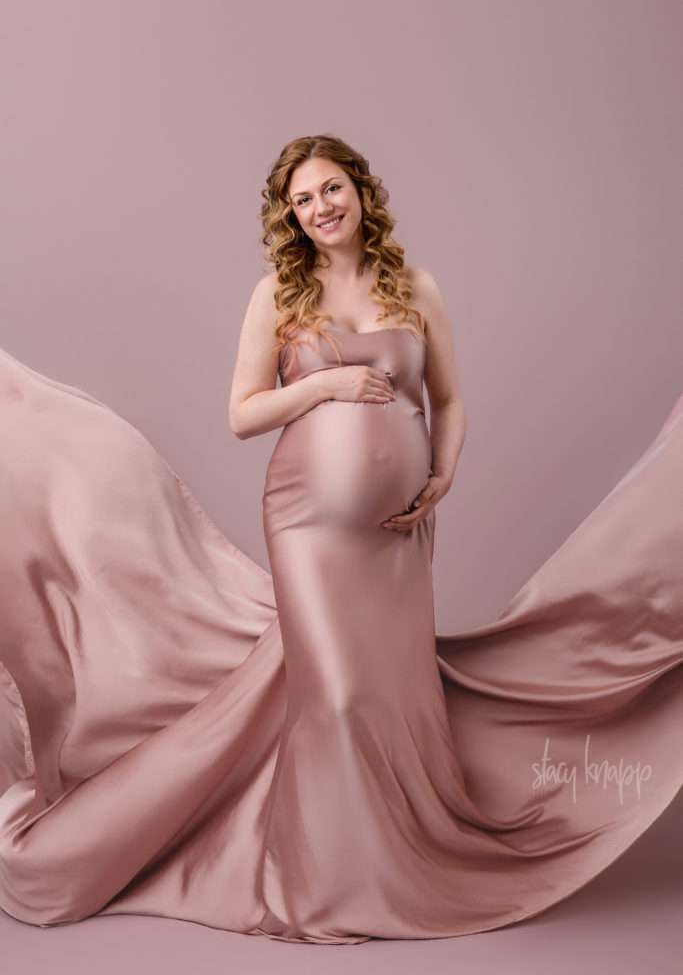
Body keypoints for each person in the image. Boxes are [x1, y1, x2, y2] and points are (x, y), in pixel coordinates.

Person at [0, 134, 681, 946]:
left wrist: (442, 475)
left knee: (389, 694)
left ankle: (387, 861)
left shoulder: (415, 286)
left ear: (360, 191)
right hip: (307, 522)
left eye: (330, 189)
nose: (319, 208)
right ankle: (321, 886)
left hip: (396, 533)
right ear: (289, 215)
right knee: (335, 696)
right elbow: (243, 413)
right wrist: (322, 383)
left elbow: (450, 401)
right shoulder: (278, 295)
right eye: (302, 199)